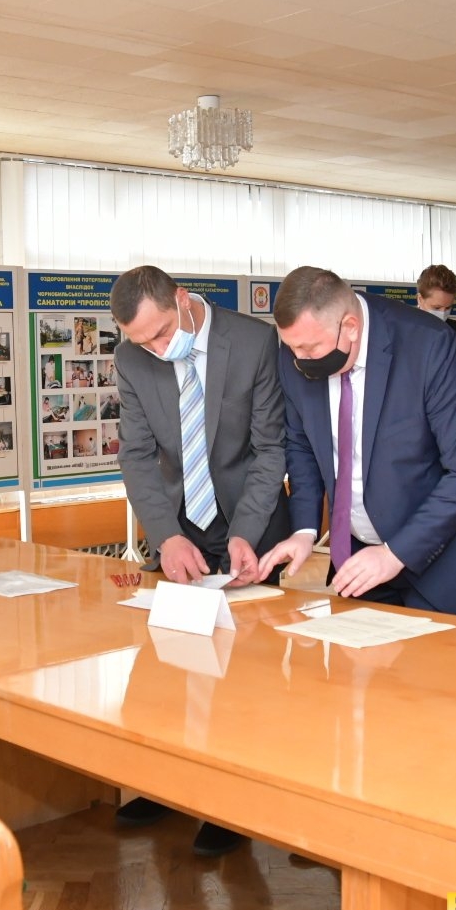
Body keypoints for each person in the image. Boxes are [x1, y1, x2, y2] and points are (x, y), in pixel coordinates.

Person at [109, 265, 294, 857]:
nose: (156, 349)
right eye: (142, 342)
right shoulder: (131, 358)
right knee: (169, 664)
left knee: (243, 673)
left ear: (183, 301)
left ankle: (232, 806)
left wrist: (246, 533)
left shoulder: (254, 342)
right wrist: (164, 536)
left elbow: (269, 450)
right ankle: (166, 787)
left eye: (162, 333)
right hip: (181, 523)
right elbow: (137, 456)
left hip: (250, 521)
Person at [259, 266, 456, 616]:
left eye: (309, 349)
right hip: (359, 562)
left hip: (439, 558)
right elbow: (302, 445)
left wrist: (395, 553)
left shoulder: (429, 345)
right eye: (292, 348)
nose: (299, 360)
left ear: (351, 327)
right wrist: (305, 529)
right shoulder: (298, 351)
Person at [416, 263, 456, 351]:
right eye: (436, 308)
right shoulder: (403, 329)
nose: (443, 313)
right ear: (420, 299)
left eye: (448, 308)